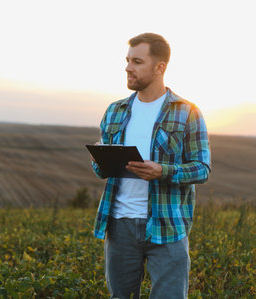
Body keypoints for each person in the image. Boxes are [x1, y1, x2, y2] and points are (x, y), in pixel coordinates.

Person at [90, 33, 211, 299]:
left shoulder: (187, 111)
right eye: (127, 60)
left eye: (137, 61)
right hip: (119, 224)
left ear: (160, 67)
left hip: (167, 225)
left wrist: (163, 171)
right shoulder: (115, 110)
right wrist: (100, 159)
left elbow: (202, 168)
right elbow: (101, 173)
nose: (128, 68)